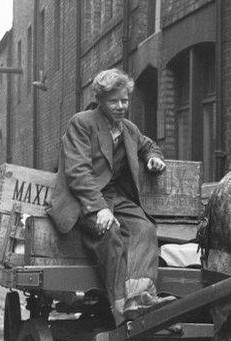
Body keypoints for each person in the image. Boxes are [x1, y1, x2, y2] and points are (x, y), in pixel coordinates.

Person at [47, 68, 174, 325]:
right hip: (81, 201)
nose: (120, 106)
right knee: (110, 234)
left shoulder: (128, 129)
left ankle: (138, 299)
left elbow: (150, 146)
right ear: (100, 100)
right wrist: (99, 208)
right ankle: (119, 310)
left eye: (124, 101)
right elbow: (78, 172)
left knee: (145, 228)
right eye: (113, 101)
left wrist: (153, 159)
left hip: (115, 198)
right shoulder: (82, 123)